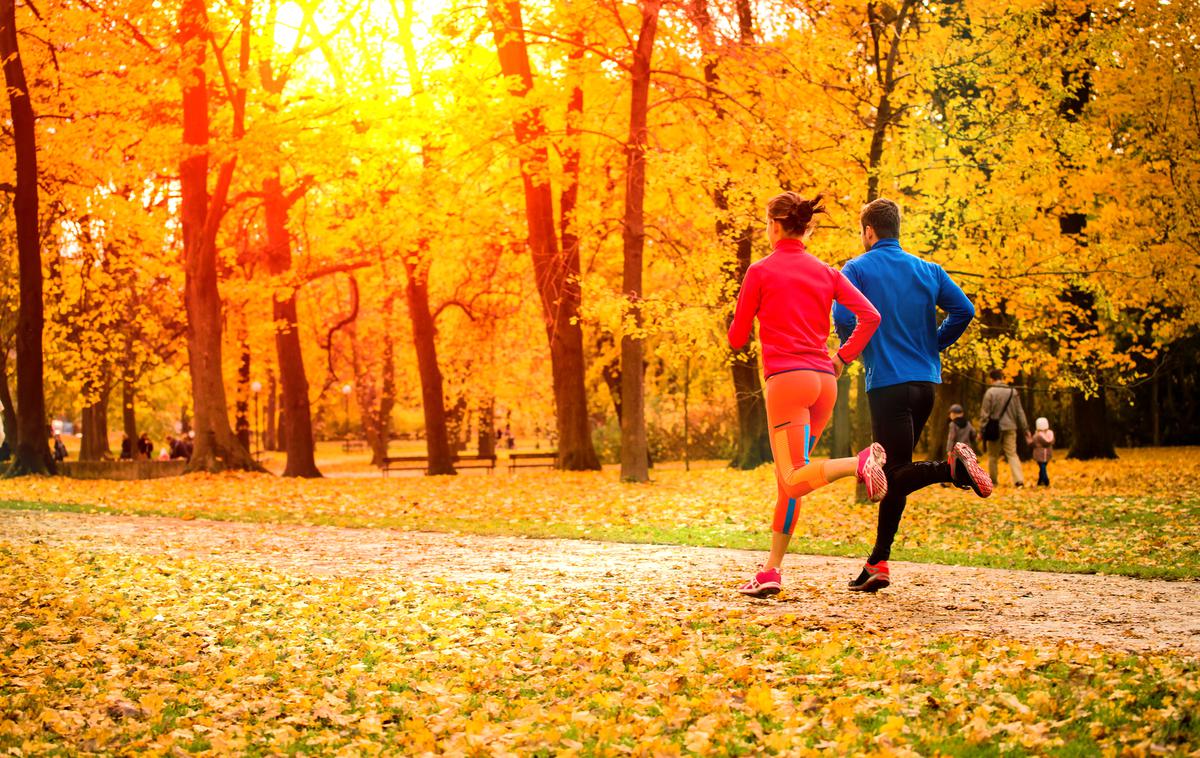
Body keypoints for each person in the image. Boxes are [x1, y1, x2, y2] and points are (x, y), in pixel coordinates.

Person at [730, 191, 885, 598]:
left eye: (766, 224)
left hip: (787, 383)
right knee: (791, 481)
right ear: (805, 227)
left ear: (777, 226)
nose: (766, 230)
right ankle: (770, 572)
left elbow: (736, 338)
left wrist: (749, 312)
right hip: (824, 383)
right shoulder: (827, 272)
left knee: (793, 478)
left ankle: (861, 462)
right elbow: (871, 316)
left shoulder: (760, 271)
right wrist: (843, 356)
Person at [833, 197, 993, 593]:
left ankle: (951, 471)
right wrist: (934, 346)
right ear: (896, 228)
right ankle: (878, 562)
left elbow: (841, 313)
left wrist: (854, 348)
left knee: (887, 473)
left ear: (869, 232)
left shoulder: (856, 269)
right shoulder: (929, 270)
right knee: (897, 473)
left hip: (887, 383)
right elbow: (964, 311)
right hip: (926, 385)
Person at [978, 369, 1029, 488]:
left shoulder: (990, 392)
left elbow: (984, 414)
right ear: (1002, 378)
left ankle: (993, 481)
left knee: (993, 456)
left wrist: (981, 430)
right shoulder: (1013, 392)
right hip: (1011, 427)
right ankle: (1019, 480)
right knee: (1012, 454)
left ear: (992, 379)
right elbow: (1019, 412)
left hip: (994, 430)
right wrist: (1025, 428)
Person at [1027, 417, 1054, 486]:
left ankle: (1045, 479)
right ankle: (1040, 481)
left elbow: (1032, 444)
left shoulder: (1037, 436)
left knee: (1042, 467)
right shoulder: (1050, 434)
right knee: (1043, 467)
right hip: (1048, 454)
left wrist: (1028, 439)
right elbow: (1052, 442)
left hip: (1039, 455)